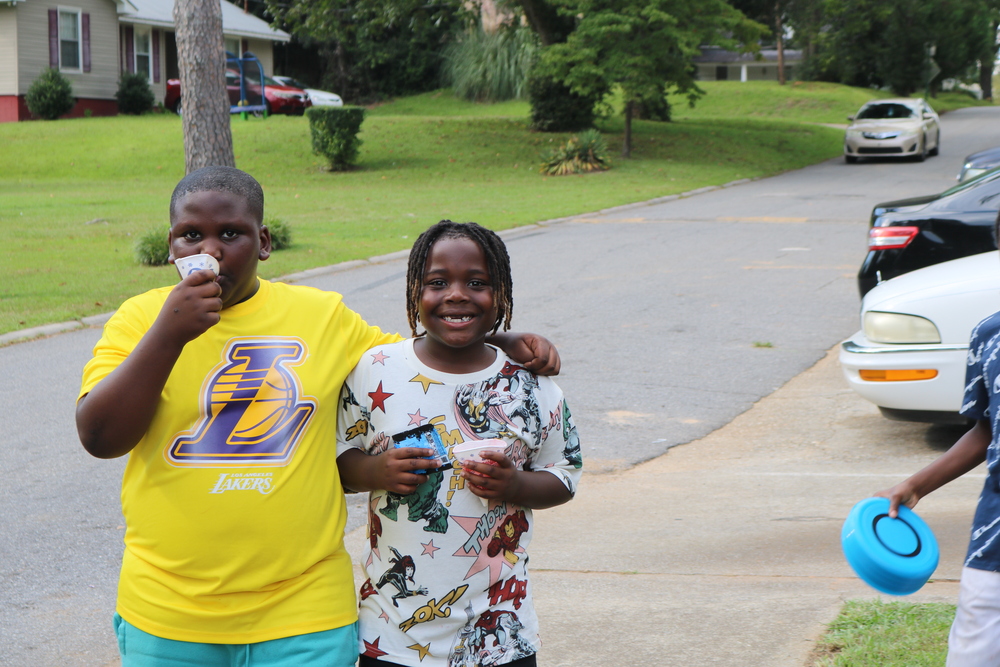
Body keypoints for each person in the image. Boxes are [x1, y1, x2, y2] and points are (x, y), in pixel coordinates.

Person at [75, 167, 560, 667]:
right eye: (191, 235)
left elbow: (417, 358)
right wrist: (168, 335)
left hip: (303, 611)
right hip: (168, 612)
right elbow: (101, 436)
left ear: (263, 242)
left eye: (232, 234)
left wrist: (496, 340)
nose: (212, 250)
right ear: (170, 245)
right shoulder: (139, 319)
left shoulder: (321, 315)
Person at [336, 220, 583, 667]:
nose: (456, 294)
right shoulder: (375, 370)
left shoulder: (529, 386)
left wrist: (516, 487)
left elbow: (565, 475)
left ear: (501, 295)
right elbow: (337, 458)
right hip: (391, 636)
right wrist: (376, 471)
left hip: (500, 635)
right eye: (437, 282)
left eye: (477, 283)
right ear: (414, 291)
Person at [876, 213, 1000, 667]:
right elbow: (984, 429)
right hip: (996, 536)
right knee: (974, 654)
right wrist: (915, 485)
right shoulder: (990, 335)